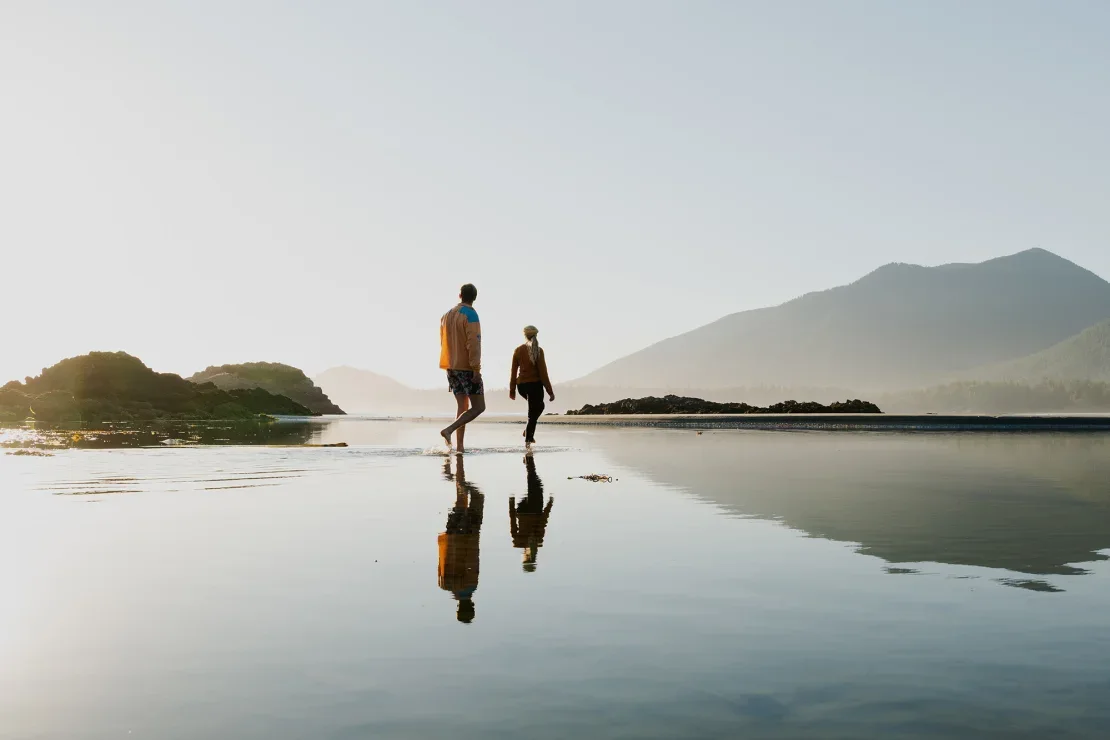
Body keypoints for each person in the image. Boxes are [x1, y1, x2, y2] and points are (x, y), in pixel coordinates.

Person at [438, 454, 484, 623]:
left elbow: (473, 560)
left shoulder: (471, 586)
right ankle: (457, 475)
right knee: (460, 500)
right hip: (450, 535)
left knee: (478, 497)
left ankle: (460, 477)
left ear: (472, 606)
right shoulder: (444, 585)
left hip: (468, 533)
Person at [439, 283, 485, 452]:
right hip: (466, 367)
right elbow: (474, 343)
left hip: (451, 366)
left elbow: (442, 342)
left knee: (462, 407)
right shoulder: (471, 315)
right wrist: (476, 369)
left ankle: (459, 447)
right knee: (479, 407)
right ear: (474, 297)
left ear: (460, 295)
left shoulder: (446, 315)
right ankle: (449, 430)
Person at [509, 325, 554, 448]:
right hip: (535, 385)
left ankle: (528, 431)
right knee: (534, 410)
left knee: (536, 408)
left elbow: (513, 372)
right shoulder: (538, 351)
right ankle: (528, 440)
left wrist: (512, 389)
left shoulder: (518, 350)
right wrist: (550, 391)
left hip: (521, 386)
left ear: (525, 336)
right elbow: (543, 373)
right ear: (536, 335)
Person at [509, 454, 554, 572]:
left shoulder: (538, 541)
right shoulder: (518, 542)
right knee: (533, 482)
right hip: (522, 510)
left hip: (534, 509)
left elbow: (543, 520)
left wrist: (550, 504)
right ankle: (528, 462)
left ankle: (529, 460)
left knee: (535, 482)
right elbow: (513, 521)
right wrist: (511, 504)